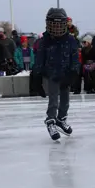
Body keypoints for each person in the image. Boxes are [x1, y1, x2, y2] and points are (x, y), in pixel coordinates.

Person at [33, 8, 80, 141]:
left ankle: (61, 119)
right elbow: (39, 60)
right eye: (54, 25)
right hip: (51, 74)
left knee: (65, 102)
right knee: (53, 101)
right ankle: (51, 121)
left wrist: (74, 73)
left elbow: (75, 58)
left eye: (60, 25)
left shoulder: (70, 40)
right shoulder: (44, 41)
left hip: (66, 74)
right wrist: (36, 77)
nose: (57, 28)